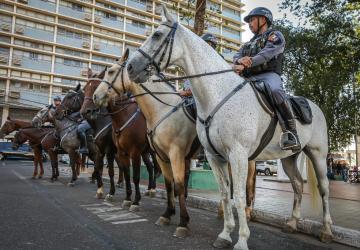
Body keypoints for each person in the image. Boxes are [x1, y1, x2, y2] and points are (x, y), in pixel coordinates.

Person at [232, 7, 300, 151]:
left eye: (252, 20)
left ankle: (291, 133)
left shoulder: (275, 35)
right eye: (249, 21)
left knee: (276, 91)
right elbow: (237, 56)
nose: (249, 24)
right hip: (249, 77)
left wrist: (248, 61)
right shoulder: (248, 43)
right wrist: (239, 62)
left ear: (263, 19)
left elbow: (267, 54)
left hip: (269, 75)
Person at [179, 33, 222, 98]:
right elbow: (189, 80)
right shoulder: (197, 60)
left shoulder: (217, 60)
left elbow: (210, 82)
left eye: (208, 44)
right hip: (189, 96)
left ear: (213, 46)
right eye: (202, 44)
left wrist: (188, 92)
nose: (205, 46)